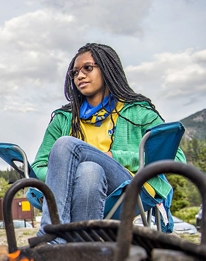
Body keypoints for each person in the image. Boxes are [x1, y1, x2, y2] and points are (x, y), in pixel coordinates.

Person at [30, 43, 186, 241]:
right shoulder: (64, 118)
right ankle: (82, 254)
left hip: (127, 187)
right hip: (81, 187)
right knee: (88, 171)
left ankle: (51, 235)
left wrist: (117, 157)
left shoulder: (137, 112)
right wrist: (65, 174)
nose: (79, 76)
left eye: (87, 68)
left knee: (65, 145)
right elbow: (39, 166)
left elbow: (177, 159)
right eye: (74, 72)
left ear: (107, 68)